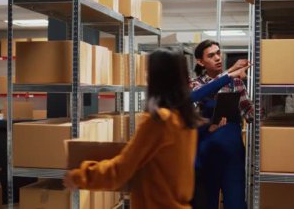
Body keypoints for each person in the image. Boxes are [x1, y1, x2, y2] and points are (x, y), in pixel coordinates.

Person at [63, 47, 250, 209]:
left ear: (156, 77)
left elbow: (121, 170)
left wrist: (80, 176)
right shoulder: (187, 120)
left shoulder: (158, 121)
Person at [191, 39, 253, 209]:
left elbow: (247, 109)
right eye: (211, 55)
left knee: (236, 204)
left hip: (232, 154)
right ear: (201, 62)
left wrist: (257, 114)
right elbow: (194, 99)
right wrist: (229, 73)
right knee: (206, 203)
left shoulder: (237, 82)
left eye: (218, 53)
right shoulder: (196, 84)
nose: (218, 57)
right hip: (207, 155)